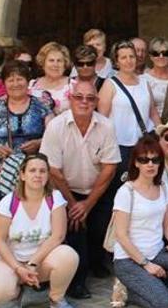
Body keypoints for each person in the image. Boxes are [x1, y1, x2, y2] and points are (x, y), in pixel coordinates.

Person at [40, 80, 120, 299]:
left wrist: (88, 203)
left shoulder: (106, 126)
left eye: (90, 98)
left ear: (96, 101)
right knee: (76, 231)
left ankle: (96, 261)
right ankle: (77, 282)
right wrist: (75, 204)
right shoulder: (56, 126)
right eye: (79, 97)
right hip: (66, 190)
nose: (84, 102)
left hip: (98, 189)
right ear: (71, 99)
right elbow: (53, 170)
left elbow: (109, 168)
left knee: (99, 229)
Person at [112, 135, 168, 308]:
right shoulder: (126, 192)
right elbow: (120, 235)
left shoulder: (162, 187)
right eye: (144, 160)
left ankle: (138, 289)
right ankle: (139, 288)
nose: (150, 164)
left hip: (157, 253)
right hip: (129, 260)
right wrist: (146, 265)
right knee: (164, 303)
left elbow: (167, 224)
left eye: (155, 160)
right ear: (136, 163)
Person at [0, 154, 78, 308]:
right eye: (32, 170)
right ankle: (16, 292)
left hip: (40, 260)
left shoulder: (55, 198)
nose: (37, 175)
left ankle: (56, 299)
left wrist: (33, 264)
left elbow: (58, 236)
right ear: (22, 175)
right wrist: (18, 268)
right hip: (12, 260)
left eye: (42, 171)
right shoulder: (8, 202)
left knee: (68, 256)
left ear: (48, 175)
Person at [0, 60, 54, 202]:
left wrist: (38, 143)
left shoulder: (42, 106)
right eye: (10, 80)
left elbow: (54, 137)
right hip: (1, 175)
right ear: (4, 83)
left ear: (27, 81)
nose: (15, 84)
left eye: (20, 79)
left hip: (35, 174)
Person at [98, 40, 160, 174]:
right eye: (123, 57)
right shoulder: (110, 85)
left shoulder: (144, 82)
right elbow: (102, 118)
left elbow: (153, 113)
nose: (128, 61)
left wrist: (161, 134)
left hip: (144, 143)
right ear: (116, 61)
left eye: (131, 56)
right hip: (119, 145)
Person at [141, 37, 168, 117]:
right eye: (156, 53)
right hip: (154, 125)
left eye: (165, 53)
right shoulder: (143, 79)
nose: (161, 56)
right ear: (151, 56)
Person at [30, 42, 73, 115]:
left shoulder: (72, 85)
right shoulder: (32, 85)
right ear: (43, 63)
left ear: (65, 64)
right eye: (51, 60)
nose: (55, 64)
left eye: (59, 61)